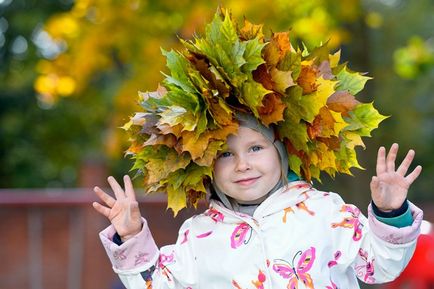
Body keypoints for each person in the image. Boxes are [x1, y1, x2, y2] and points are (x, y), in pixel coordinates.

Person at [92, 8, 423, 289]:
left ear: (280, 151)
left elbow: (380, 266)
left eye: (255, 148)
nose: (242, 164)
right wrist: (131, 235)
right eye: (225, 154)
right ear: (206, 166)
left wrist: (391, 213)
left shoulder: (326, 213)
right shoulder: (198, 235)